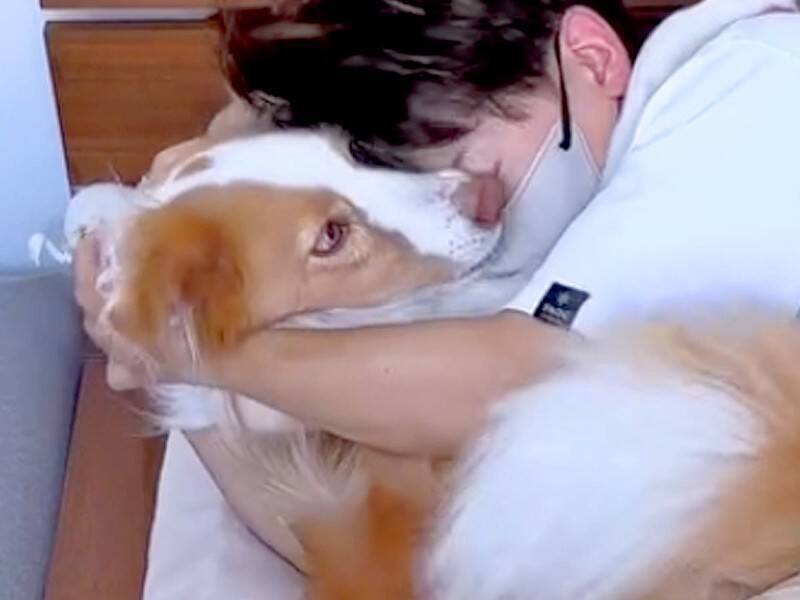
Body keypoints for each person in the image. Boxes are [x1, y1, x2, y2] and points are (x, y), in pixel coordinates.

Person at [76, 0, 800, 462]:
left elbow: (520, 385)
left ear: (591, 57)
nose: (477, 207)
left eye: (476, 165)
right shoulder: (603, 226)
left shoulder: (750, 83)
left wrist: (195, 354)